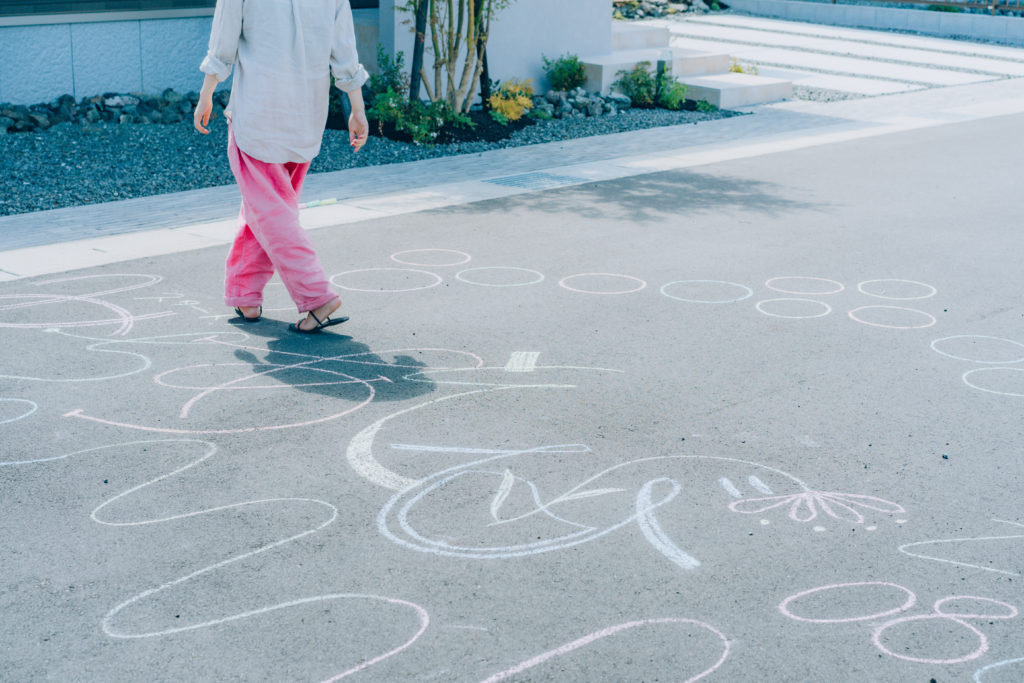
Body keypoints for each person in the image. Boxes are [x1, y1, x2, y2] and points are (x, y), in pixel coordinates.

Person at [193, 0, 369, 333]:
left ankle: (317, 296)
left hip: (259, 114)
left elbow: (223, 44)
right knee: (267, 210)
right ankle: (245, 294)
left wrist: (207, 93)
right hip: (306, 116)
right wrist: (356, 108)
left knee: (271, 214)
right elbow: (345, 52)